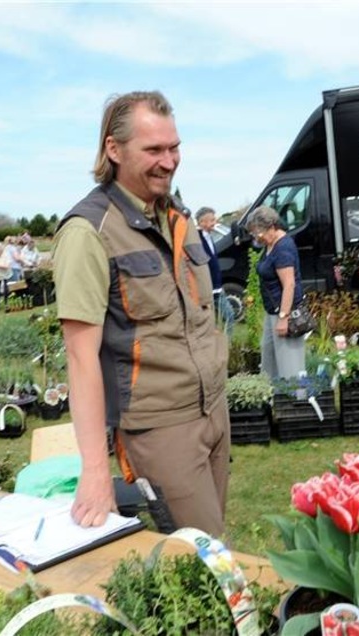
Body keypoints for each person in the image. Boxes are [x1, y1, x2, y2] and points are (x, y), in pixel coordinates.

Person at [53, 90, 229, 537]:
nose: (168, 162)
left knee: (213, 545)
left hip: (213, 413)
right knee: (202, 557)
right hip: (159, 428)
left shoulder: (176, 218)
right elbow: (80, 357)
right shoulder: (88, 232)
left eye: (174, 148)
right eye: (153, 150)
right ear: (113, 149)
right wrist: (95, 469)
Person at [246, 205, 306, 380]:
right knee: (269, 362)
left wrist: (283, 318)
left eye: (258, 233)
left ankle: (295, 402)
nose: (257, 238)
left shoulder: (283, 248)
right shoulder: (270, 244)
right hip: (272, 312)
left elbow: (289, 284)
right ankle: (272, 400)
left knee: (290, 370)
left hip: (286, 314)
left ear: (272, 227)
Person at [196, 206, 233, 332]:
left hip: (217, 287)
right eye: (212, 220)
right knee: (227, 316)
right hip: (208, 289)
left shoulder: (209, 237)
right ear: (202, 223)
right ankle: (224, 346)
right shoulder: (197, 240)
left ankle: (225, 346)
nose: (215, 222)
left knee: (225, 317)